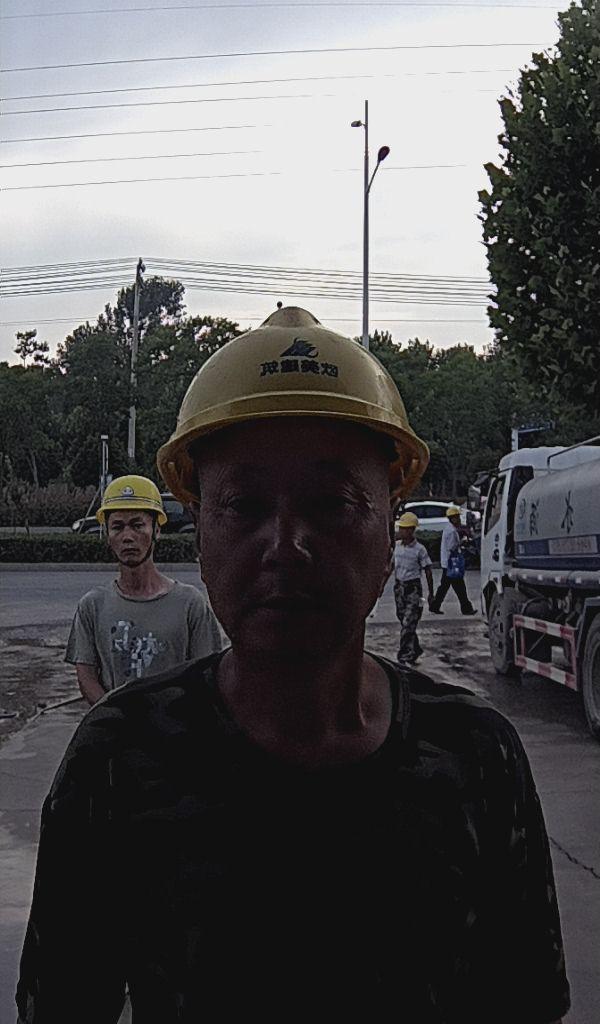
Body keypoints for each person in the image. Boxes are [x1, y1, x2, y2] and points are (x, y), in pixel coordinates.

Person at [17, 307, 569, 1024]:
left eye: (331, 503)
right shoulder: (119, 760)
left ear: (389, 524)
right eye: (244, 505)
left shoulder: (476, 757)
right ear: (199, 530)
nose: (286, 545)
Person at [65, 474, 223, 704]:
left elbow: (206, 677)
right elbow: (86, 676)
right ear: (107, 535)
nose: (128, 537)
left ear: (156, 530)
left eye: (137, 525)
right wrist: (114, 715)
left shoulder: (190, 604)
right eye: (117, 527)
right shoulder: (92, 606)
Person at [393, 510, 434, 667]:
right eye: (401, 528)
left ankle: (404, 656)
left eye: (404, 529)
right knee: (403, 619)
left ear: (411, 530)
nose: (401, 531)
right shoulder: (396, 547)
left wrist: (431, 593)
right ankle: (415, 649)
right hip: (399, 587)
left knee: (408, 623)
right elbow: (390, 567)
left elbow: (428, 570)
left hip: (414, 589)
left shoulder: (420, 549)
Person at [429, 505, 477, 615]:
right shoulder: (451, 531)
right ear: (452, 518)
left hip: (448, 563)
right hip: (451, 563)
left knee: (445, 586)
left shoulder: (450, 529)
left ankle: (435, 605)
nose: (459, 520)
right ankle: (466, 608)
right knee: (459, 587)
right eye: (457, 517)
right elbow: (452, 547)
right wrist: (462, 542)